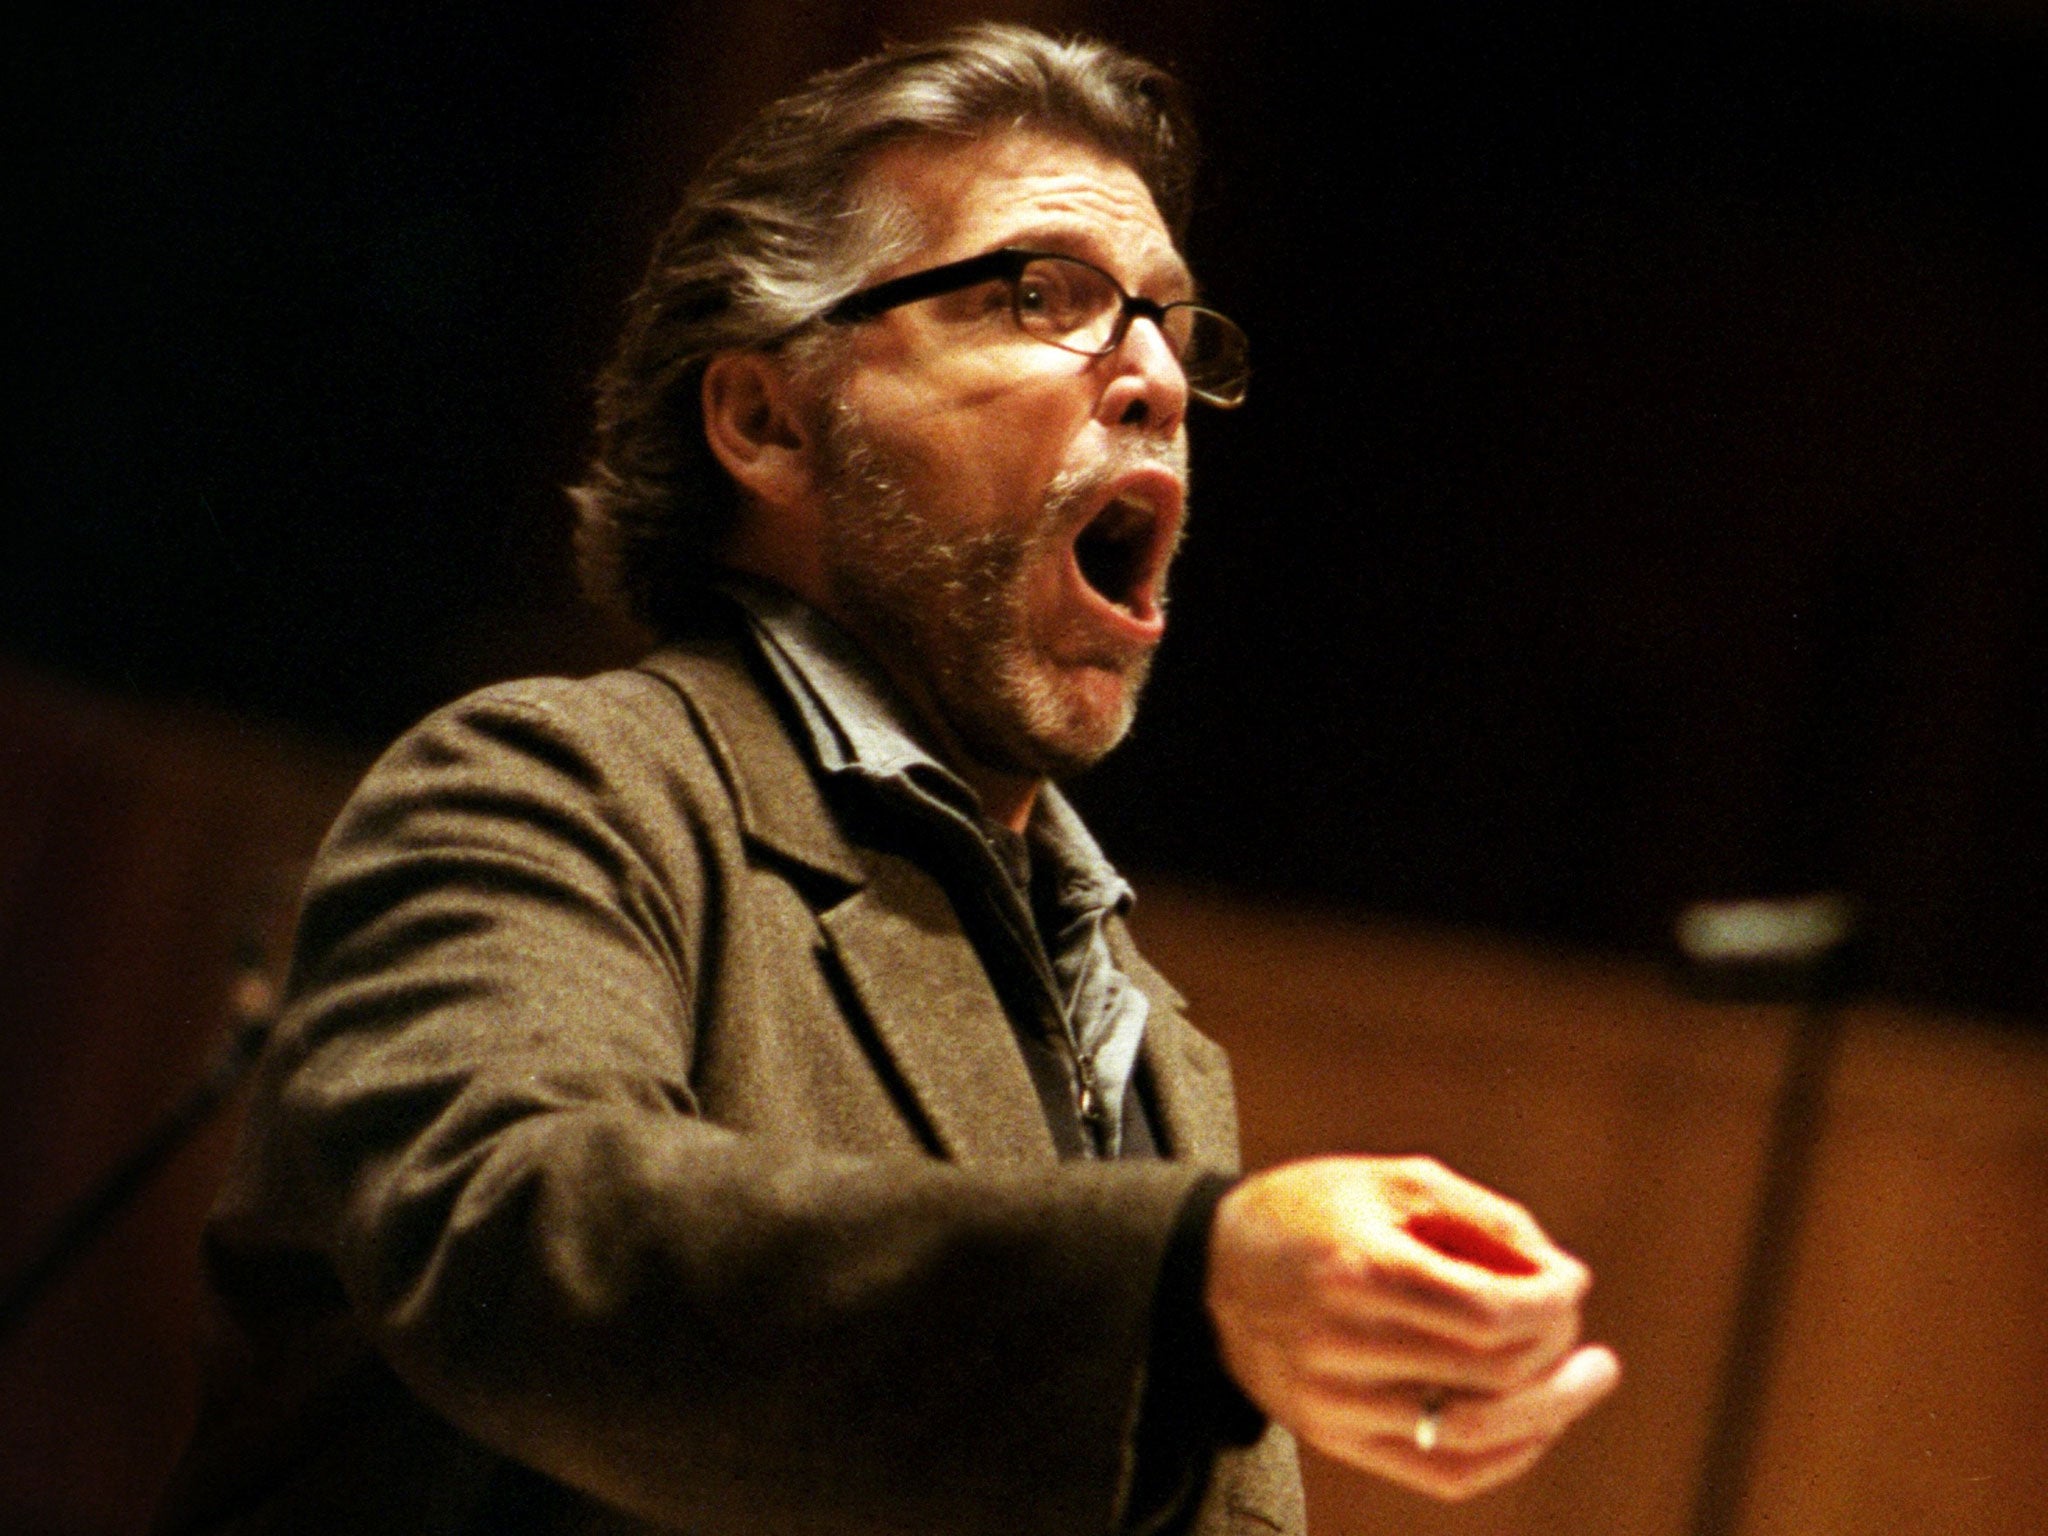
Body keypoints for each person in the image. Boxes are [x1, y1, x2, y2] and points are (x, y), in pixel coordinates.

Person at [155, 24, 1618, 1535]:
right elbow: (522, 1244)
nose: (1159, 379)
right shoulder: (558, 793)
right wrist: (1188, 1280)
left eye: (1177, 328)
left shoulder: (1160, 1054)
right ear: (768, 421)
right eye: (1045, 295)